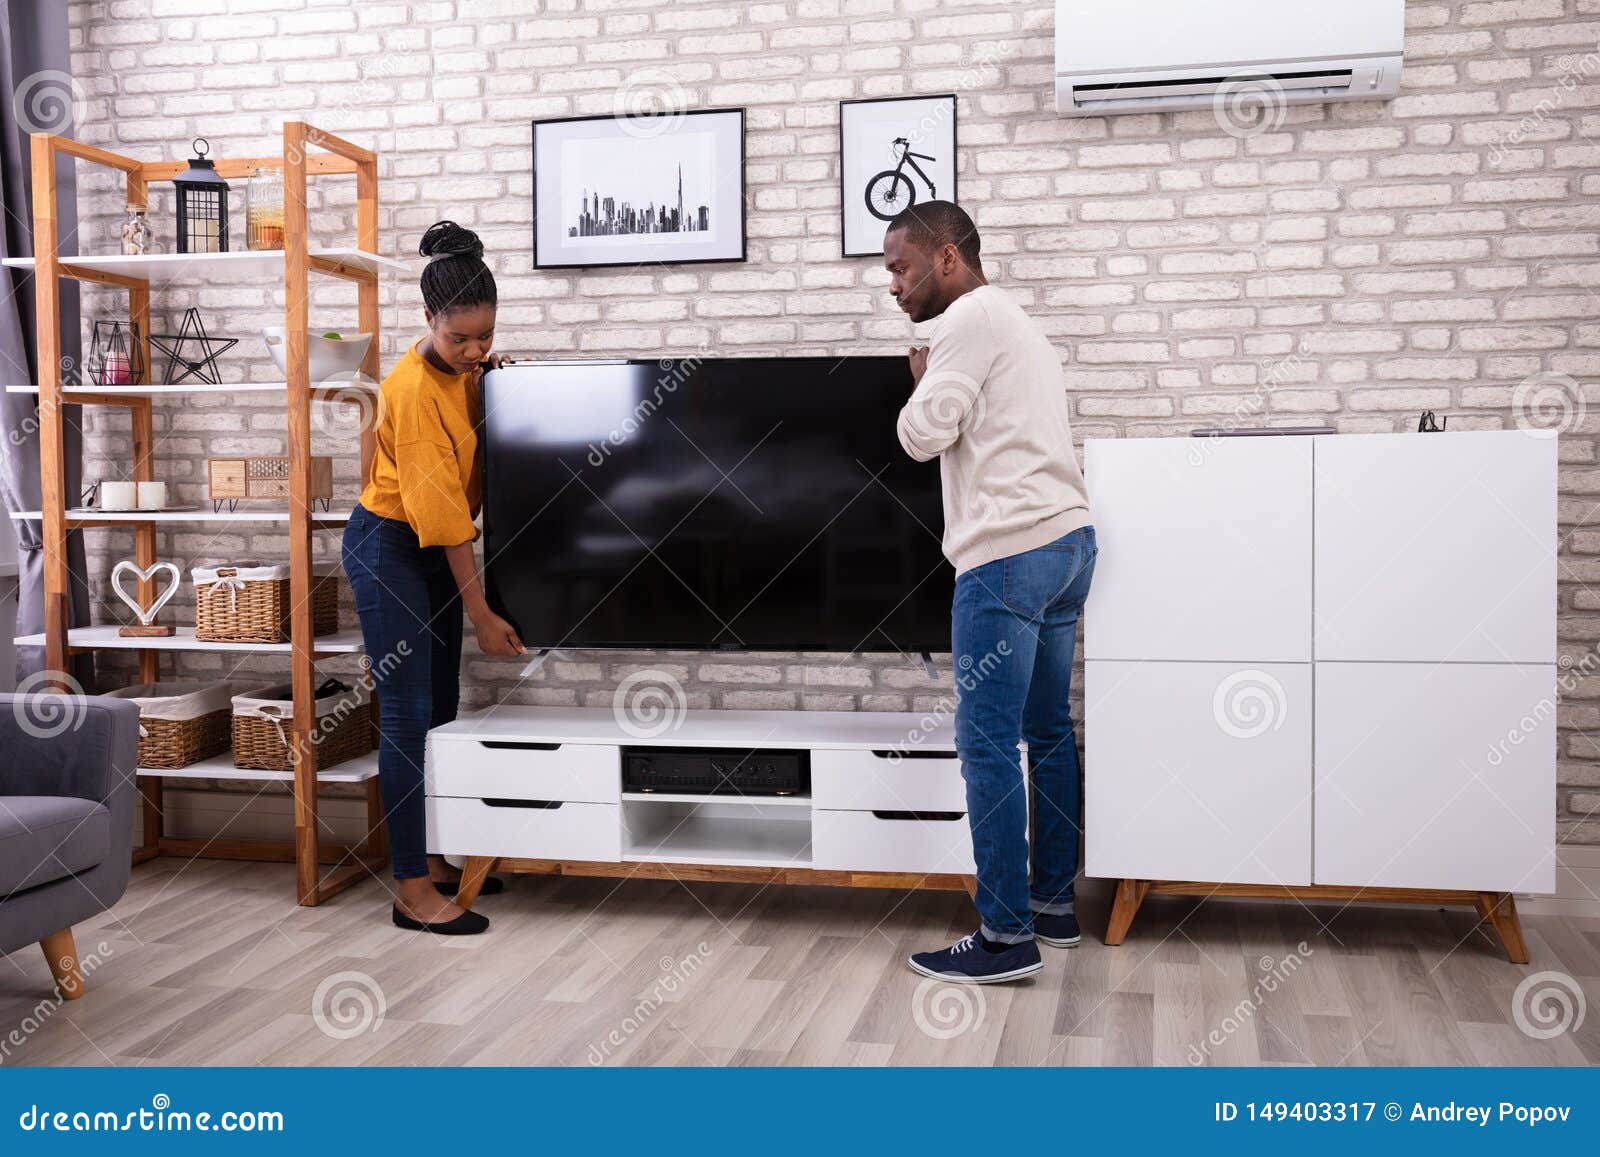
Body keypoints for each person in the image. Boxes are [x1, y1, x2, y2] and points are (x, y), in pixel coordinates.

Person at [886, 200, 1096, 984]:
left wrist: (919, 381)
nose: (894, 286)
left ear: (947, 258)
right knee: (1046, 732)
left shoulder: (966, 322)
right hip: (1068, 542)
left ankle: (1005, 936)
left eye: (900, 267)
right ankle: (1052, 906)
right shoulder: (1017, 321)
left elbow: (921, 436)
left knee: (985, 743)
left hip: (1007, 555)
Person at [342, 220, 526, 935]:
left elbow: (476, 463)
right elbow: (447, 518)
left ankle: (436, 858)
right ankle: (411, 888)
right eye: (461, 340)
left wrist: (495, 384)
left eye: (485, 336)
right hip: (391, 546)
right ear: (428, 320)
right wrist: (479, 607)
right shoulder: (412, 391)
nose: (475, 350)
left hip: (432, 549)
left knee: (442, 705)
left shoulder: (463, 376)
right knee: (409, 712)